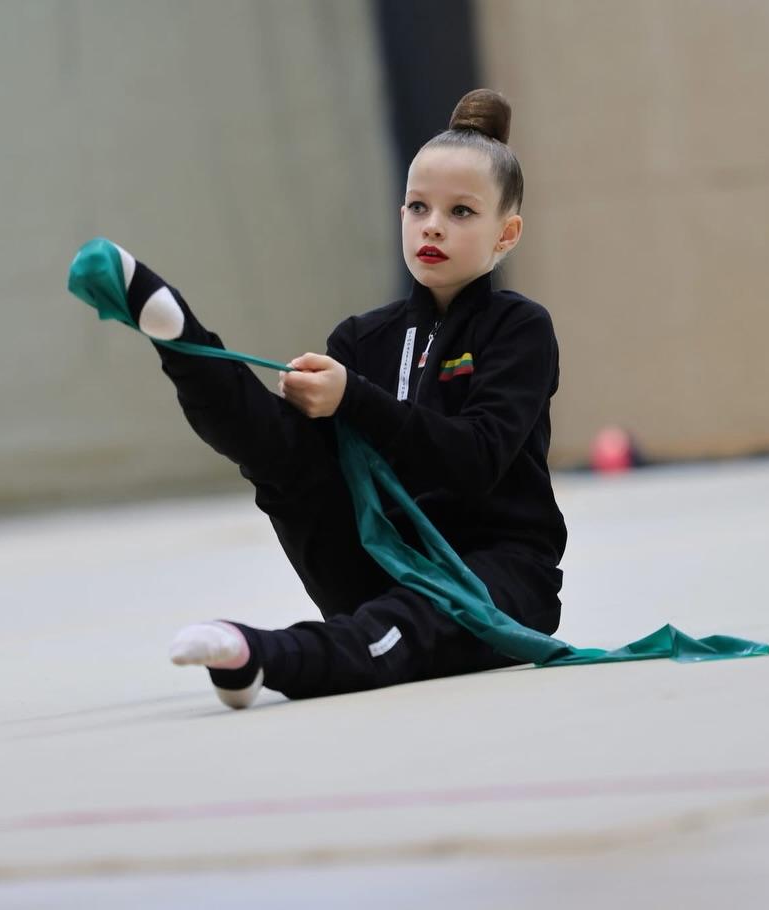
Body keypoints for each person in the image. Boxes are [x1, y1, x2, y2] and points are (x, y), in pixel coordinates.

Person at [105, 90, 566, 708]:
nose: (432, 225)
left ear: (506, 235)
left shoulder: (518, 328)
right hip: (379, 565)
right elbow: (306, 471)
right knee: (283, 453)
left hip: (497, 582)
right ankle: (181, 341)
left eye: (461, 211)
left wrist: (354, 397)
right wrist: (309, 408)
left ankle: (260, 654)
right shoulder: (361, 338)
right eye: (418, 206)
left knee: (405, 624)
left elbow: (476, 460)